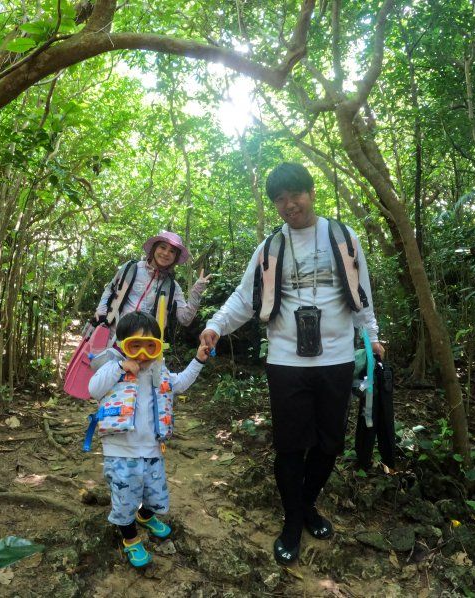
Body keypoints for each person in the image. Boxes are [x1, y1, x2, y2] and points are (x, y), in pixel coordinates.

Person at [198, 162, 385, 565]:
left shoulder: (342, 237)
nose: (288, 205)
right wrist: (214, 326)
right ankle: (293, 519)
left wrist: (372, 337)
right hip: (285, 360)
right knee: (289, 445)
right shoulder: (269, 249)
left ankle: (307, 504)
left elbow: (362, 295)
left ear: (311, 192)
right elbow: (244, 299)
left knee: (330, 443)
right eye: (279, 199)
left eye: (294, 194)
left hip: (336, 358)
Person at [87, 311, 211, 567]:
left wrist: (198, 360)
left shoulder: (159, 371)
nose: (142, 353)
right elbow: (93, 389)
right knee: (124, 501)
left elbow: (181, 383)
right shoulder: (113, 367)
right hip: (120, 451)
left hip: (152, 449)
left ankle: (145, 516)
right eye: (135, 345)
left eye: (150, 345)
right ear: (122, 345)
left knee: (156, 495)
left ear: (157, 346)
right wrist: (121, 367)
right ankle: (130, 540)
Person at [94, 231, 211, 332]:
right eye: (163, 247)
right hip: (111, 335)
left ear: (176, 257)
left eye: (172, 251)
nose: (166, 253)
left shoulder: (172, 287)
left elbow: (185, 319)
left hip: (143, 348)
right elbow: (110, 288)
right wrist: (101, 310)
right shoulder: (131, 268)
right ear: (154, 248)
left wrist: (197, 292)